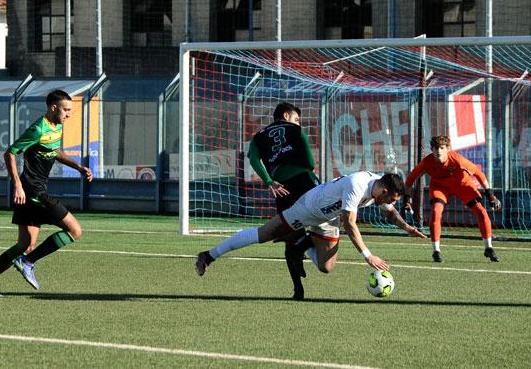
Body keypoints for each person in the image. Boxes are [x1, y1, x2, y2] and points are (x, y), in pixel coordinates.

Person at [195, 172, 426, 299]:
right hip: (307, 209)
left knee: (326, 268)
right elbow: (350, 223)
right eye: (391, 199)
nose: (390, 203)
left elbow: (391, 212)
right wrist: (368, 256)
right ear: (384, 191)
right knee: (263, 234)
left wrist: (407, 228)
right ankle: (209, 255)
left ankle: (300, 242)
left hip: (328, 217)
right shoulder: (358, 184)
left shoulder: (380, 190)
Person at [0, 89, 93, 297]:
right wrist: (17, 184)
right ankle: (28, 262)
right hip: (32, 190)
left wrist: (78, 167)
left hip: (34, 190)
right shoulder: (38, 128)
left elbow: (54, 150)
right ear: (54, 108)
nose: (69, 114)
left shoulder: (56, 126)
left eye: (70, 110)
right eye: (66, 110)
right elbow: (10, 152)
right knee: (74, 230)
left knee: (25, 244)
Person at [247, 102, 320, 300]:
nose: (298, 122)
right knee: (327, 216)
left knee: (289, 232)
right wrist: (309, 169)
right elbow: (310, 159)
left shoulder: (259, 136)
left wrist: (269, 181)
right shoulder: (295, 130)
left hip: (281, 187)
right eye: (296, 119)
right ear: (286, 116)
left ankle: (298, 290)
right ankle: (304, 243)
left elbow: (253, 159)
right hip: (303, 179)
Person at [405, 135, 501, 263]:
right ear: (431, 149)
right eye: (435, 148)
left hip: (462, 184)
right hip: (440, 186)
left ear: (448, 149)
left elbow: (479, 174)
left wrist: (490, 195)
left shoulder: (458, 160)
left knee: (481, 211)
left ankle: (488, 247)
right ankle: (436, 251)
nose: (438, 151)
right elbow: (410, 179)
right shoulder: (427, 162)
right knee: (436, 212)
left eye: (442, 148)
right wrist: (407, 199)